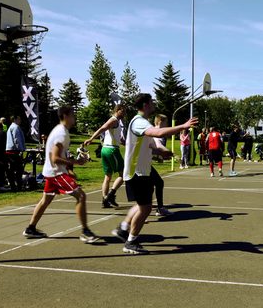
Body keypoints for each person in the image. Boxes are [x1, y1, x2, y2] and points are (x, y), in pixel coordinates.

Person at [111, 93, 197, 254]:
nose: (153, 104)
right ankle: (131, 241)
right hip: (137, 172)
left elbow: (149, 147)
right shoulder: (139, 122)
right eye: (151, 102)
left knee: (143, 206)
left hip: (142, 171)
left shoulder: (143, 124)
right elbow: (159, 133)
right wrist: (182, 126)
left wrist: (160, 153)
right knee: (145, 208)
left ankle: (124, 230)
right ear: (145, 105)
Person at [23, 106, 99, 243]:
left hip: (54, 172)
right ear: (65, 116)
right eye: (73, 115)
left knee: (45, 200)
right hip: (55, 173)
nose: (74, 117)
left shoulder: (61, 131)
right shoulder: (61, 134)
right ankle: (85, 232)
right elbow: (55, 158)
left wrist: (69, 170)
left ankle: (30, 228)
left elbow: (57, 155)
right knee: (81, 196)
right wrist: (76, 161)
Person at [83, 105, 127, 208]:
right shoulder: (114, 120)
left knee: (108, 176)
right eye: (123, 111)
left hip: (105, 149)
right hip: (112, 149)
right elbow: (102, 128)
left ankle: (105, 200)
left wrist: (126, 143)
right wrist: (91, 139)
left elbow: (117, 137)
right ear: (117, 110)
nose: (125, 114)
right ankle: (111, 194)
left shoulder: (116, 122)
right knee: (123, 174)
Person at [151, 114, 175, 217]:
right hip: (140, 165)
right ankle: (135, 217)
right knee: (152, 187)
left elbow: (149, 149)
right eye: (166, 122)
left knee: (158, 183)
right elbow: (159, 146)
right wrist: (173, 154)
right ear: (161, 122)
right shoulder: (155, 132)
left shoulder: (153, 131)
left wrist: (156, 158)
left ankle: (159, 208)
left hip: (144, 163)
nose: (167, 124)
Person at [6, 115, 26, 192]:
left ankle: (13, 185)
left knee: (12, 168)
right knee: (18, 169)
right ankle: (18, 185)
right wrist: (21, 149)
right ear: (14, 119)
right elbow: (17, 139)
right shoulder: (15, 128)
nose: (20, 120)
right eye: (19, 119)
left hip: (10, 150)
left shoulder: (11, 127)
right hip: (14, 150)